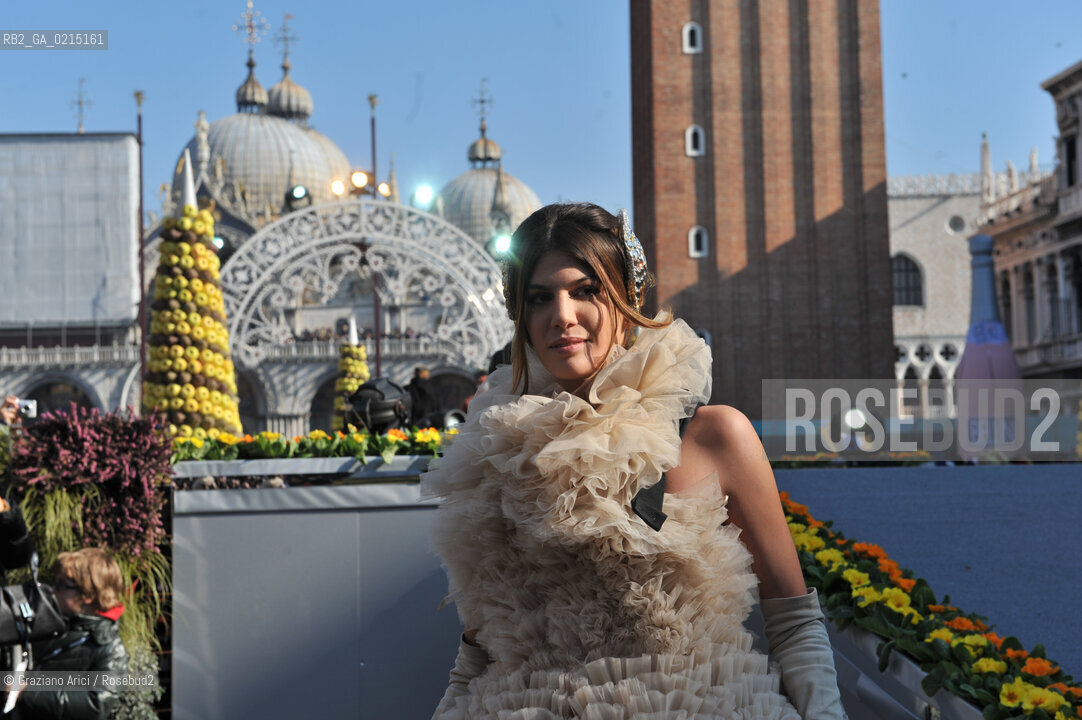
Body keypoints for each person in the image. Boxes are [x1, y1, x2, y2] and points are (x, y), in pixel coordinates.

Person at [423, 203, 847, 719]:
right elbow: (478, 652)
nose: (562, 315)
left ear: (628, 299)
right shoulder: (493, 455)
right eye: (540, 298)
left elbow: (796, 624)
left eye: (585, 291)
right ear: (522, 318)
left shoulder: (715, 437)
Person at [16, 547, 129, 720]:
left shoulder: (111, 648)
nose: (54, 590)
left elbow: (96, 703)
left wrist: (28, 692)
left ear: (88, 595)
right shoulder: (54, 625)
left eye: (62, 585)